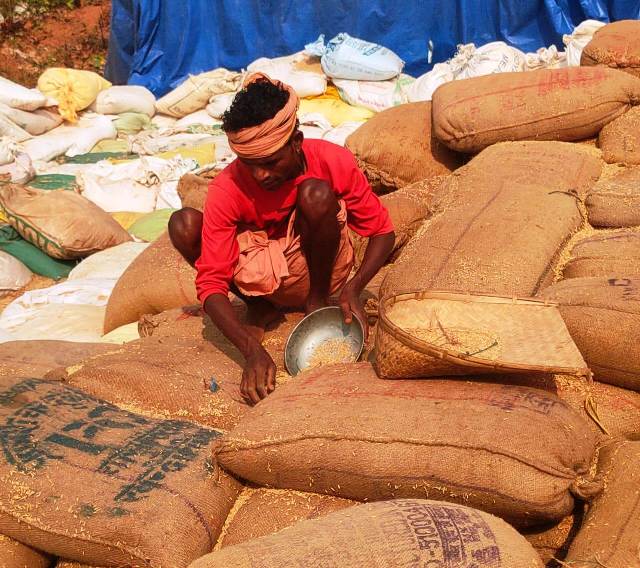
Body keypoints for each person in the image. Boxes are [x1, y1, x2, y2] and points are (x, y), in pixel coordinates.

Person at [169, 73, 395, 404]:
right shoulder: (227, 188)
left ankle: (316, 302)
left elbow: (382, 232)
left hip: (320, 270)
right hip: (259, 278)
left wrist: (353, 288)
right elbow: (211, 283)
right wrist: (251, 351)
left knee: (315, 194)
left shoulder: (330, 160)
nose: (261, 175)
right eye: (250, 165)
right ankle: (259, 307)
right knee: (183, 224)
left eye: (271, 162)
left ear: (297, 142)